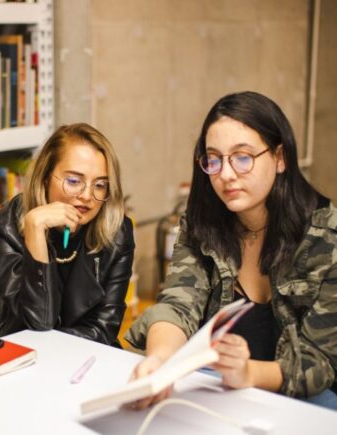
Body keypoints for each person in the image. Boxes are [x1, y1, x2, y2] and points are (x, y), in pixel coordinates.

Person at [126, 91, 337, 409]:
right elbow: (178, 305)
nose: (225, 174)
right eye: (214, 159)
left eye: (242, 157)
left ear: (280, 158)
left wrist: (248, 372)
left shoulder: (327, 237)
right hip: (222, 388)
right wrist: (160, 360)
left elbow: (319, 362)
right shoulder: (201, 225)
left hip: (302, 396)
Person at [0, 123, 135, 346]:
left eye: (100, 185)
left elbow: (104, 330)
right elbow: (39, 321)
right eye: (74, 181)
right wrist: (34, 230)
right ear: (45, 177)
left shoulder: (117, 232)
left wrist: (57, 343)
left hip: (83, 355)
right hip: (13, 353)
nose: (87, 195)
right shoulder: (3, 228)